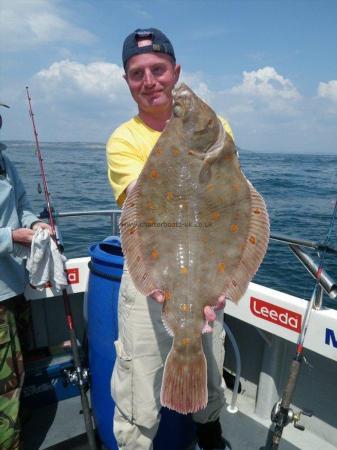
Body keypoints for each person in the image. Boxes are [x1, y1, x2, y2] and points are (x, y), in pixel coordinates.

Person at [106, 28, 234, 450]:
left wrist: (224, 283)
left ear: (175, 71)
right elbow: (141, 212)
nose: (150, 81)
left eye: (158, 70)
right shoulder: (123, 140)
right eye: (137, 73)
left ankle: (210, 431)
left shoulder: (217, 130)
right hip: (151, 271)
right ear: (127, 82)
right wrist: (181, 132)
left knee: (209, 369)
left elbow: (232, 207)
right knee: (138, 385)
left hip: (206, 271)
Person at [0, 103, 52, 449]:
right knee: (4, 385)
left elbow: (22, 203)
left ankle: (18, 426)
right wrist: (11, 237)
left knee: (21, 370)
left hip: (15, 285)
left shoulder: (5, 163)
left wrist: (34, 223)